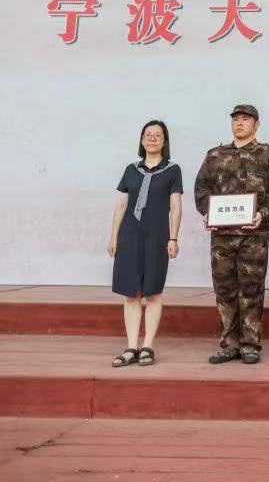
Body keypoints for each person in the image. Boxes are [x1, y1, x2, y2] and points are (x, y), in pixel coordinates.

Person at [193, 104, 269, 365]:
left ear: (256, 124)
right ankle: (228, 344)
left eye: (245, 119)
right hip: (222, 237)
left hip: (253, 236)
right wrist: (208, 212)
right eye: (236, 119)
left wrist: (263, 214)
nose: (239, 123)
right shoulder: (215, 155)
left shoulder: (268, 155)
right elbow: (202, 189)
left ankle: (250, 344)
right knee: (225, 291)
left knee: (251, 290)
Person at [108, 120, 182, 367]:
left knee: (153, 292)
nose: (152, 138)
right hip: (130, 236)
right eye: (147, 134)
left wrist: (173, 237)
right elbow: (121, 205)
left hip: (157, 236)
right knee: (131, 293)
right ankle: (131, 346)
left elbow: (175, 207)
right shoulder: (131, 170)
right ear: (141, 140)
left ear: (164, 141)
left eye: (157, 135)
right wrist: (114, 237)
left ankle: (147, 345)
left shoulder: (172, 170)